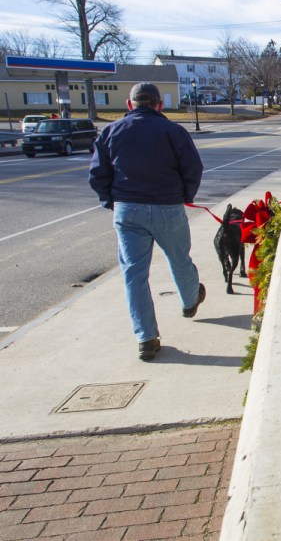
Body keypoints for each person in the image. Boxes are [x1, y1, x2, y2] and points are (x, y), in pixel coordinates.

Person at [89, 82, 206, 361]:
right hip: (167, 206)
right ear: (159, 105)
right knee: (179, 258)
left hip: (128, 210)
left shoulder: (110, 131)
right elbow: (193, 168)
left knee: (134, 274)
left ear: (130, 105)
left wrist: (111, 201)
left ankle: (146, 338)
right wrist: (184, 195)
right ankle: (190, 301)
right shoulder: (173, 131)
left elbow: (97, 174)